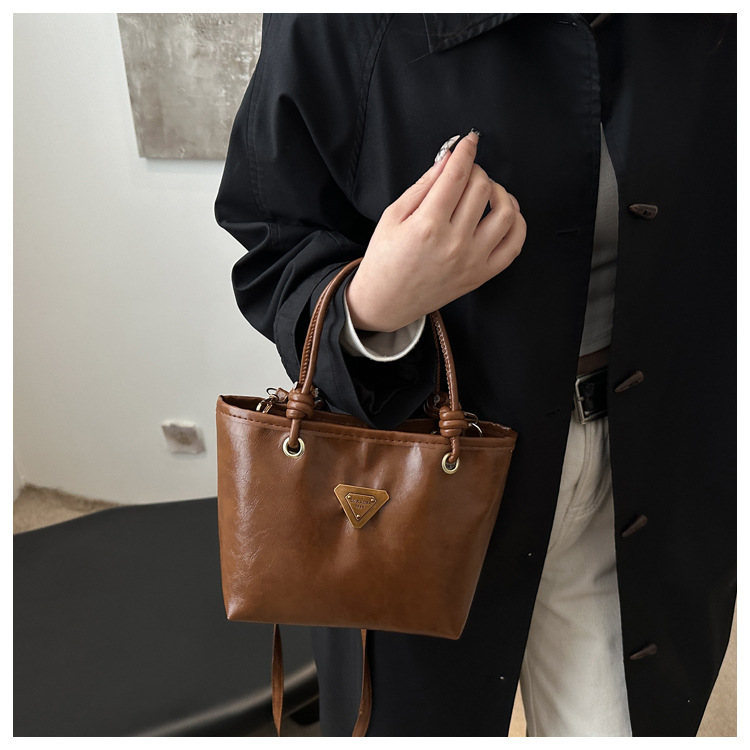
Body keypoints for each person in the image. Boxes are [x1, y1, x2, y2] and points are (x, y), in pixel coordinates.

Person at [215, 13, 736, 737]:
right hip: (412, 482)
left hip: (651, 465)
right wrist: (375, 306)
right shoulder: (336, 21)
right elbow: (273, 234)